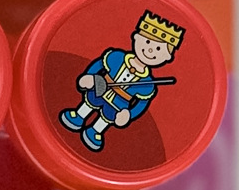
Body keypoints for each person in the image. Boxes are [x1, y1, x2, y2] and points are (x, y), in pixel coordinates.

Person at [60, 10, 184, 152]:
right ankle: (79, 115)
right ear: (136, 37)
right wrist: (89, 76)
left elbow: (141, 104)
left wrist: (129, 114)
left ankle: (95, 131)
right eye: (148, 41)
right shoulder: (116, 57)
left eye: (158, 48)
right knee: (91, 101)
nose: (150, 50)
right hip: (101, 86)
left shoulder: (148, 84)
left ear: (167, 57)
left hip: (119, 103)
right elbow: (99, 65)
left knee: (107, 116)